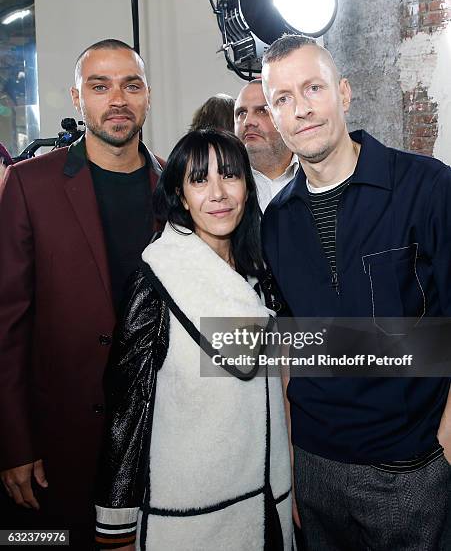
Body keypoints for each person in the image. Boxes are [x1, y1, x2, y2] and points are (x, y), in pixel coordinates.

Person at [261, 34, 451, 550]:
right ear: (274, 117)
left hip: (411, 465)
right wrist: (292, 468)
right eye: (282, 99)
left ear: (343, 93)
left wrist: (445, 445)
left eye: (313, 88)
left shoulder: (427, 188)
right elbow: (287, 348)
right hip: (316, 465)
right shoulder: (274, 222)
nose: (301, 109)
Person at [94, 128, 292, 550]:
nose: (218, 193)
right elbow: (127, 410)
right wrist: (116, 526)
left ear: (247, 186)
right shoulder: (156, 282)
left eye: (230, 176)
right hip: (192, 520)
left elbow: (290, 380)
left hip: (267, 506)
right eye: (200, 180)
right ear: (181, 196)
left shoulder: (261, 276)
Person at [0, 39, 163, 548]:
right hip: (61, 440)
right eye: (100, 86)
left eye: (130, 85)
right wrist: (13, 442)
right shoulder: (31, 185)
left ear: (147, 96)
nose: (117, 98)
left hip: (159, 435)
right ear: (77, 98)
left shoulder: (174, 185)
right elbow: (7, 326)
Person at [234, 80, 298, 212]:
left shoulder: (317, 173)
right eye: (241, 113)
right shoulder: (225, 188)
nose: (248, 121)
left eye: (262, 111)